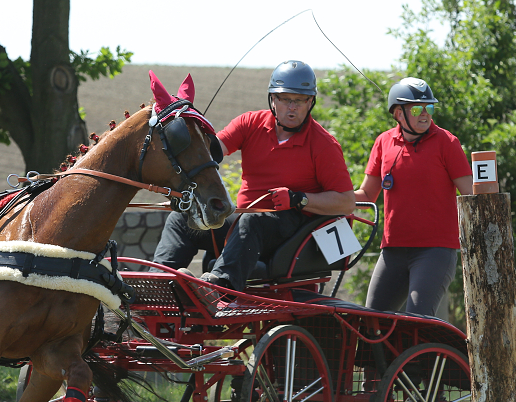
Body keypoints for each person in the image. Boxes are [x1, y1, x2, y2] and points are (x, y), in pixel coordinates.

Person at [152, 60, 356, 291]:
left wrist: (299, 199)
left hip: (291, 229)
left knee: (251, 221)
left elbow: (346, 201)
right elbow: (210, 153)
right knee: (183, 218)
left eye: (300, 100)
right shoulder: (250, 123)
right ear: (273, 99)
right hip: (244, 224)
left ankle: (219, 288)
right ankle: (159, 282)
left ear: (310, 102)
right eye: (285, 98)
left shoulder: (323, 144)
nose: (292, 107)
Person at [354, 77, 473, 316]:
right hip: (393, 251)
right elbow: (367, 195)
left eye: (429, 108)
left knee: (418, 322)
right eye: (417, 108)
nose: (425, 114)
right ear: (398, 113)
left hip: (435, 251)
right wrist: (330, 199)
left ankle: (431, 354)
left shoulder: (447, 143)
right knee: (370, 322)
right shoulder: (383, 142)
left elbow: (472, 195)